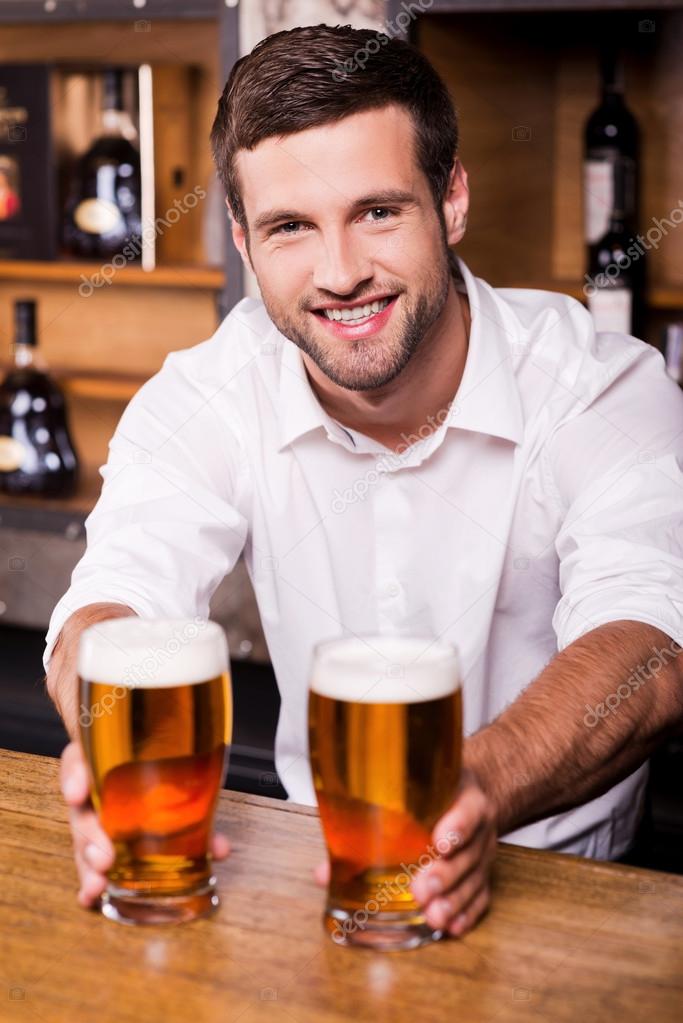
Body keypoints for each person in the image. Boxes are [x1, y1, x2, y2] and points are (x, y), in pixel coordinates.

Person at [45, 25, 683, 939]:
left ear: (451, 198)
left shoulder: (598, 385)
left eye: (378, 211)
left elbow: (651, 635)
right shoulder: (206, 394)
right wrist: (104, 737)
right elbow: (109, 600)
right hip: (318, 891)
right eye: (290, 227)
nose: (340, 273)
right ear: (240, 237)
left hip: (575, 901)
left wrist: (475, 790)